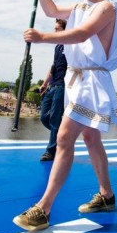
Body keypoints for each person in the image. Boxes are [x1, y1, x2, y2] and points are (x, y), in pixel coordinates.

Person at [13, 0, 117, 232]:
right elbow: (52, 10)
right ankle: (107, 195)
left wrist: (42, 38)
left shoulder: (106, 8)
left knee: (64, 137)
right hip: (76, 78)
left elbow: (82, 34)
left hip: (91, 80)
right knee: (91, 139)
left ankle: (43, 209)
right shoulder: (80, 7)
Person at [37, 19, 68, 162]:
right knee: (44, 117)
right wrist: (44, 84)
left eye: (57, 29)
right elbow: (53, 67)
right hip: (51, 87)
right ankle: (62, 136)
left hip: (62, 86)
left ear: (64, 30)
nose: (54, 31)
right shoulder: (57, 47)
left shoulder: (70, 46)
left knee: (55, 120)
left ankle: (51, 151)